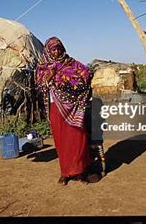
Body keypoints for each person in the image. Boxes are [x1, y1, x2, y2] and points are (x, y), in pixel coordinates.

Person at [36, 37, 99, 185]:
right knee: (61, 142)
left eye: (59, 48)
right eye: (53, 49)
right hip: (55, 108)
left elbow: (86, 74)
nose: (56, 52)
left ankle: (81, 172)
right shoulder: (43, 67)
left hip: (74, 108)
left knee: (78, 139)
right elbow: (39, 87)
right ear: (48, 51)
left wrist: (63, 80)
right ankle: (65, 172)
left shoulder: (71, 63)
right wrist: (48, 77)